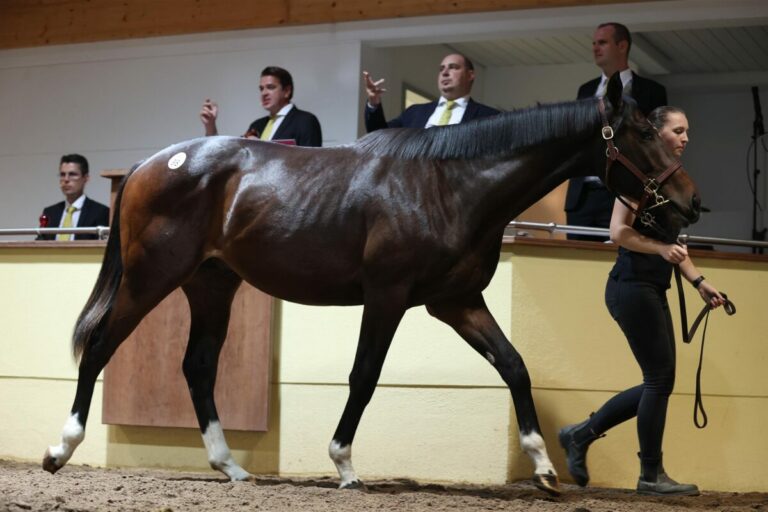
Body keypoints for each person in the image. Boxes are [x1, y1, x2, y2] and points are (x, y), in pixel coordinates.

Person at [558, 106, 725, 496]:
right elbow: (618, 232)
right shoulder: (638, 180)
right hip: (630, 286)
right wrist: (658, 250)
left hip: (651, 288)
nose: (685, 138)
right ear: (657, 132)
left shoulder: (664, 181)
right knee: (659, 380)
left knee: (659, 381)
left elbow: (673, 244)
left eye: (688, 132)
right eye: (678, 131)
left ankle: (581, 435)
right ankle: (648, 473)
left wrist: (699, 280)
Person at [565, 22, 668, 241]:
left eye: (602, 42)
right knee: (575, 263)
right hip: (583, 196)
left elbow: (655, 143)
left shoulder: (652, 92)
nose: (595, 48)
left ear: (622, 46)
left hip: (625, 194)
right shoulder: (585, 90)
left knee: (619, 261)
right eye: (593, 43)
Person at [362, 53, 499, 133]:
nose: (445, 73)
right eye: (441, 69)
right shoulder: (414, 112)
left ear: (470, 75)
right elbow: (379, 135)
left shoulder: (490, 118)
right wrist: (373, 103)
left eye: (453, 68)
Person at [200, 66, 322, 147]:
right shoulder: (257, 125)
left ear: (287, 91)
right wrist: (210, 126)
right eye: (261, 89)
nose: (264, 93)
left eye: (270, 87)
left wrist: (263, 149)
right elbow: (234, 157)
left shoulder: (305, 121)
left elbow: (312, 165)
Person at [37, 154, 110, 241]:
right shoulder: (50, 212)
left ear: (86, 178)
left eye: (72, 174)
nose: (66, 179)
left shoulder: (100, 212)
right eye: (62, 174)